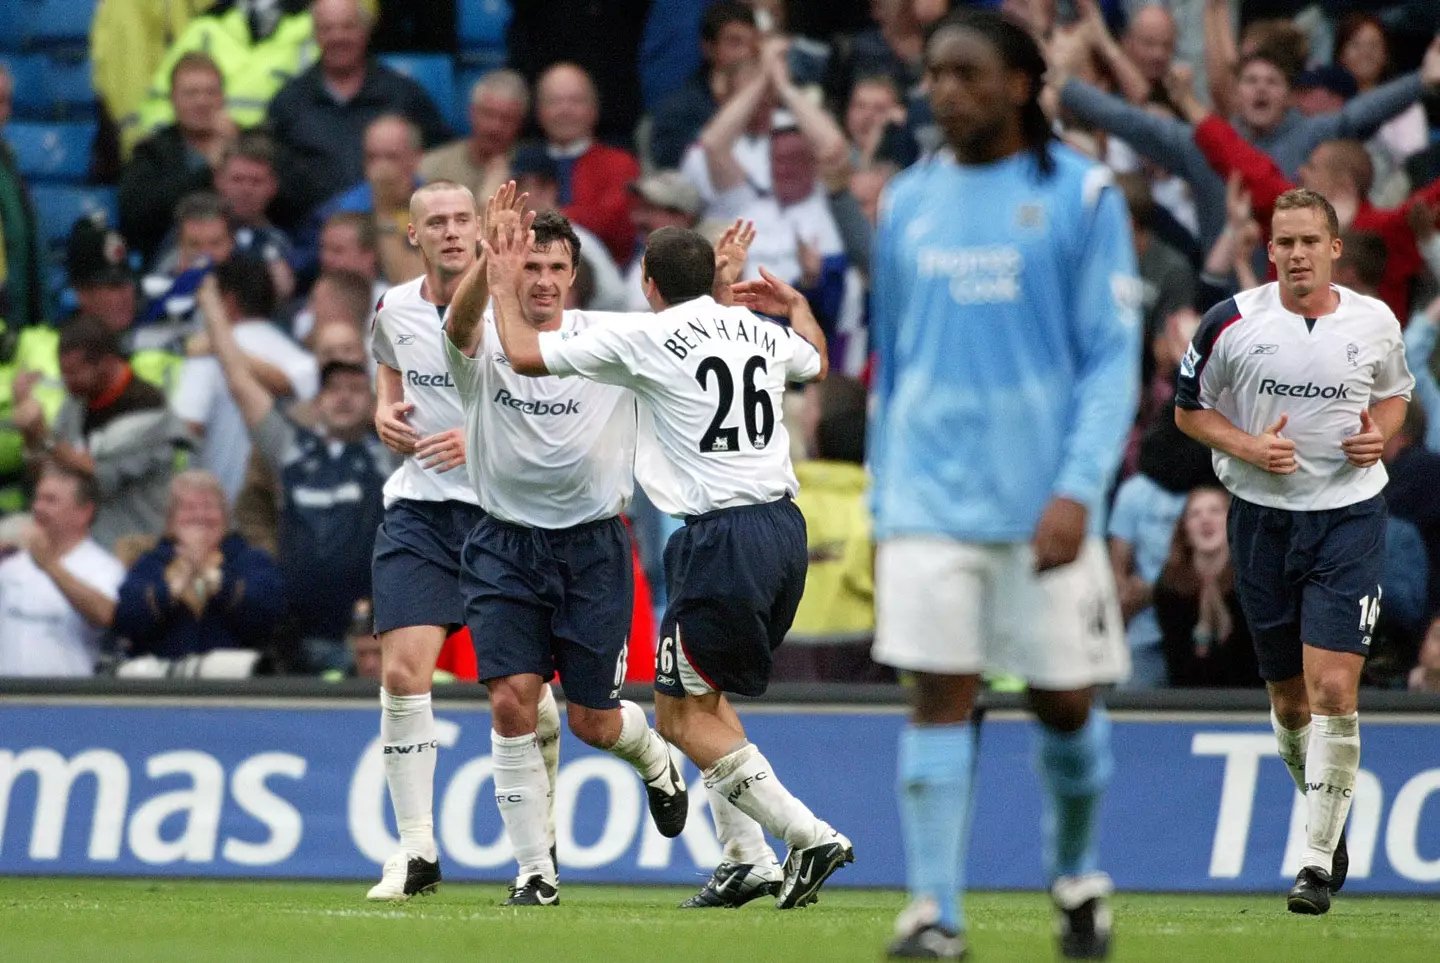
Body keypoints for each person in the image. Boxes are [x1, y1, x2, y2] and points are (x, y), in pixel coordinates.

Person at [868, 11, 1140, 959]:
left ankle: (1075, 874)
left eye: (967, 74)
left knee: (1063, 702)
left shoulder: (1082, 194)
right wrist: (882, 501)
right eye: (935, 74)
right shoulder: (906, 200)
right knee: (939, 694)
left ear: (1020, 84)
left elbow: (1112, 360)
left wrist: (1077, 490)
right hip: (930, 503)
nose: (944, 91)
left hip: (1043, 509)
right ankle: (935, 913)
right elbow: (892, 363)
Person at [484, 218, 852, 912]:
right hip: (783, 532)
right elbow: (817, 359)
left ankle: (808, 834)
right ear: (710, 277)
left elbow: (525, 354)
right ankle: (748, 861)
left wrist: (503, 284)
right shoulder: (758, 330)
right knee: (706, 700)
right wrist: (796, 303)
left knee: (679, 719)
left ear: (648, 285)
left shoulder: (644, 335)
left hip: (720, 540)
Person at [442, 184, 691, 906]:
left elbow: (687, 336)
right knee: (513, 701)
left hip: (593, 548)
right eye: (531, 267)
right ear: (508, 272)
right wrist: (485, 262)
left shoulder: (606, 341)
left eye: (556, 269)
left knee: (592, 720)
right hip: (503, 544)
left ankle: (655, 760)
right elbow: (454, 330)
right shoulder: (483, 339)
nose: (544, 281)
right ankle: (534, 870)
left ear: (573, 277)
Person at [1174, 187, 1415, 915]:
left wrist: (1382, 433)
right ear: (1267, 248)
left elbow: (1395, 395)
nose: (1296, 254)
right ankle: (1326, 813)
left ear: (1335, 248)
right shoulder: (1233, 323)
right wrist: (1250, 445)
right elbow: (1188, 410)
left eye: (1309, 241)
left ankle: (1313, 861)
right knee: (1287, 700)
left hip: (1347, 515)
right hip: (1261, 518)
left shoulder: (1375, 322)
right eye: (1284, 242)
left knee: (1335, 688)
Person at [363, 179, 561, 902]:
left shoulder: (513, 308)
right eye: (435, 222)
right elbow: (391, 370)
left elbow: (537, 416)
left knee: (522, 696)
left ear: (481, 227)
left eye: (461, 220)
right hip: (419, 511)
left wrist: (476, 436)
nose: (450, 231)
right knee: (402, 673)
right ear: (412, 235)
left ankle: (540, 841)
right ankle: (416, 849)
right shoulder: (391, 306)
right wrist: (385, 412)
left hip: (501, 517)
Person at [197, 274, 392, 672]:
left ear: (374, 399)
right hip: (299, 638)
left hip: (371, 641)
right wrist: (211, 306)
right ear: (317, 400)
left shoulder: (390, 454)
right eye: (333, 389)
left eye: (356, 389)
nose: (344, 397)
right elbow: (238, 381)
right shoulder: (289, 448)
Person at [266, 0, 450, 220]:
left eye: (348, 27)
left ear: (366, 31)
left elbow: (440, 159)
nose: (338, 37)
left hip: (396, 228)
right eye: (327, 29)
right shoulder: (288, 101)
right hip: (313, 236)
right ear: (314, 35)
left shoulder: (404, 95)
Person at [15, 317, 189, 549]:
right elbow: (46, 474)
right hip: (81, 544)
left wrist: (45, 436)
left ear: (107, 363)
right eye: (64, 373)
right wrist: (29, 433)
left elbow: (100, 478)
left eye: (74, 373)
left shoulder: (149, 410)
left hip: (136, 545)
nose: (67, 383)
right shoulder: (77, 403)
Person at [172, 256, 319, 501]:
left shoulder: (205, 355)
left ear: (226, 302)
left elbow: (187, 426)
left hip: (221, 513)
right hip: (294, 507)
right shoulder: (303, 361)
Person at [113, 470, 284, 662]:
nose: (200, 515)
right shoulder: (149, 564)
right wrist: (174, 586)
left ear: (226, 517)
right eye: (188, 507)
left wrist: (211, 576)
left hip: (234, 685)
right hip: (163, 685)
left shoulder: (251, 560)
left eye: (209, 506)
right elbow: (126, 621)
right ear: (170, 521)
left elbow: (266, 617)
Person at [0, 464, 125, 677]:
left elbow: (107, 615)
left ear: (84, 512)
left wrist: (49, 566)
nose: (38, 507)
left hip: (65, 701)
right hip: (8, 701)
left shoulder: (104, 568)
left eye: (51, 500)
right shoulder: (12, 566)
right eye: (37, 498)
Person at [120, 53, 237, 265]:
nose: (202, 102)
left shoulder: (245, 143)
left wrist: (238, 151)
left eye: (210, 92)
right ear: (172, 99)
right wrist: (207, 169)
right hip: (171, 261)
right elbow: (137, 216)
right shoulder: (150, 152)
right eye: (191, 93)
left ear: (223, 98)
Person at [531, 63, 641, 263]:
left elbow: (616, 224)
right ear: (539, 111)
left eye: (576, 101)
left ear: (594, 109)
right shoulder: (521, 163)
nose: (565, 110)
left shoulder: (620, 164)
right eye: (555, 101)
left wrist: (549, 216)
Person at [1152, 485, 1260, 688]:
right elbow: (1178, 662)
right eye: (1195, 514)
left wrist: (1222, 622)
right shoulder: (1169, 584)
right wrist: (1203, 634)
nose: (1205, 520)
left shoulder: (1256, 579)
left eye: (1215, 511)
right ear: (1184, 529)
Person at [421, 70, 529, 205]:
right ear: (471, 112)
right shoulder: (433, 167)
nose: (495, 127)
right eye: (488, 114)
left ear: (520, 122)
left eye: (507, 118)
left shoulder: (532, 172)